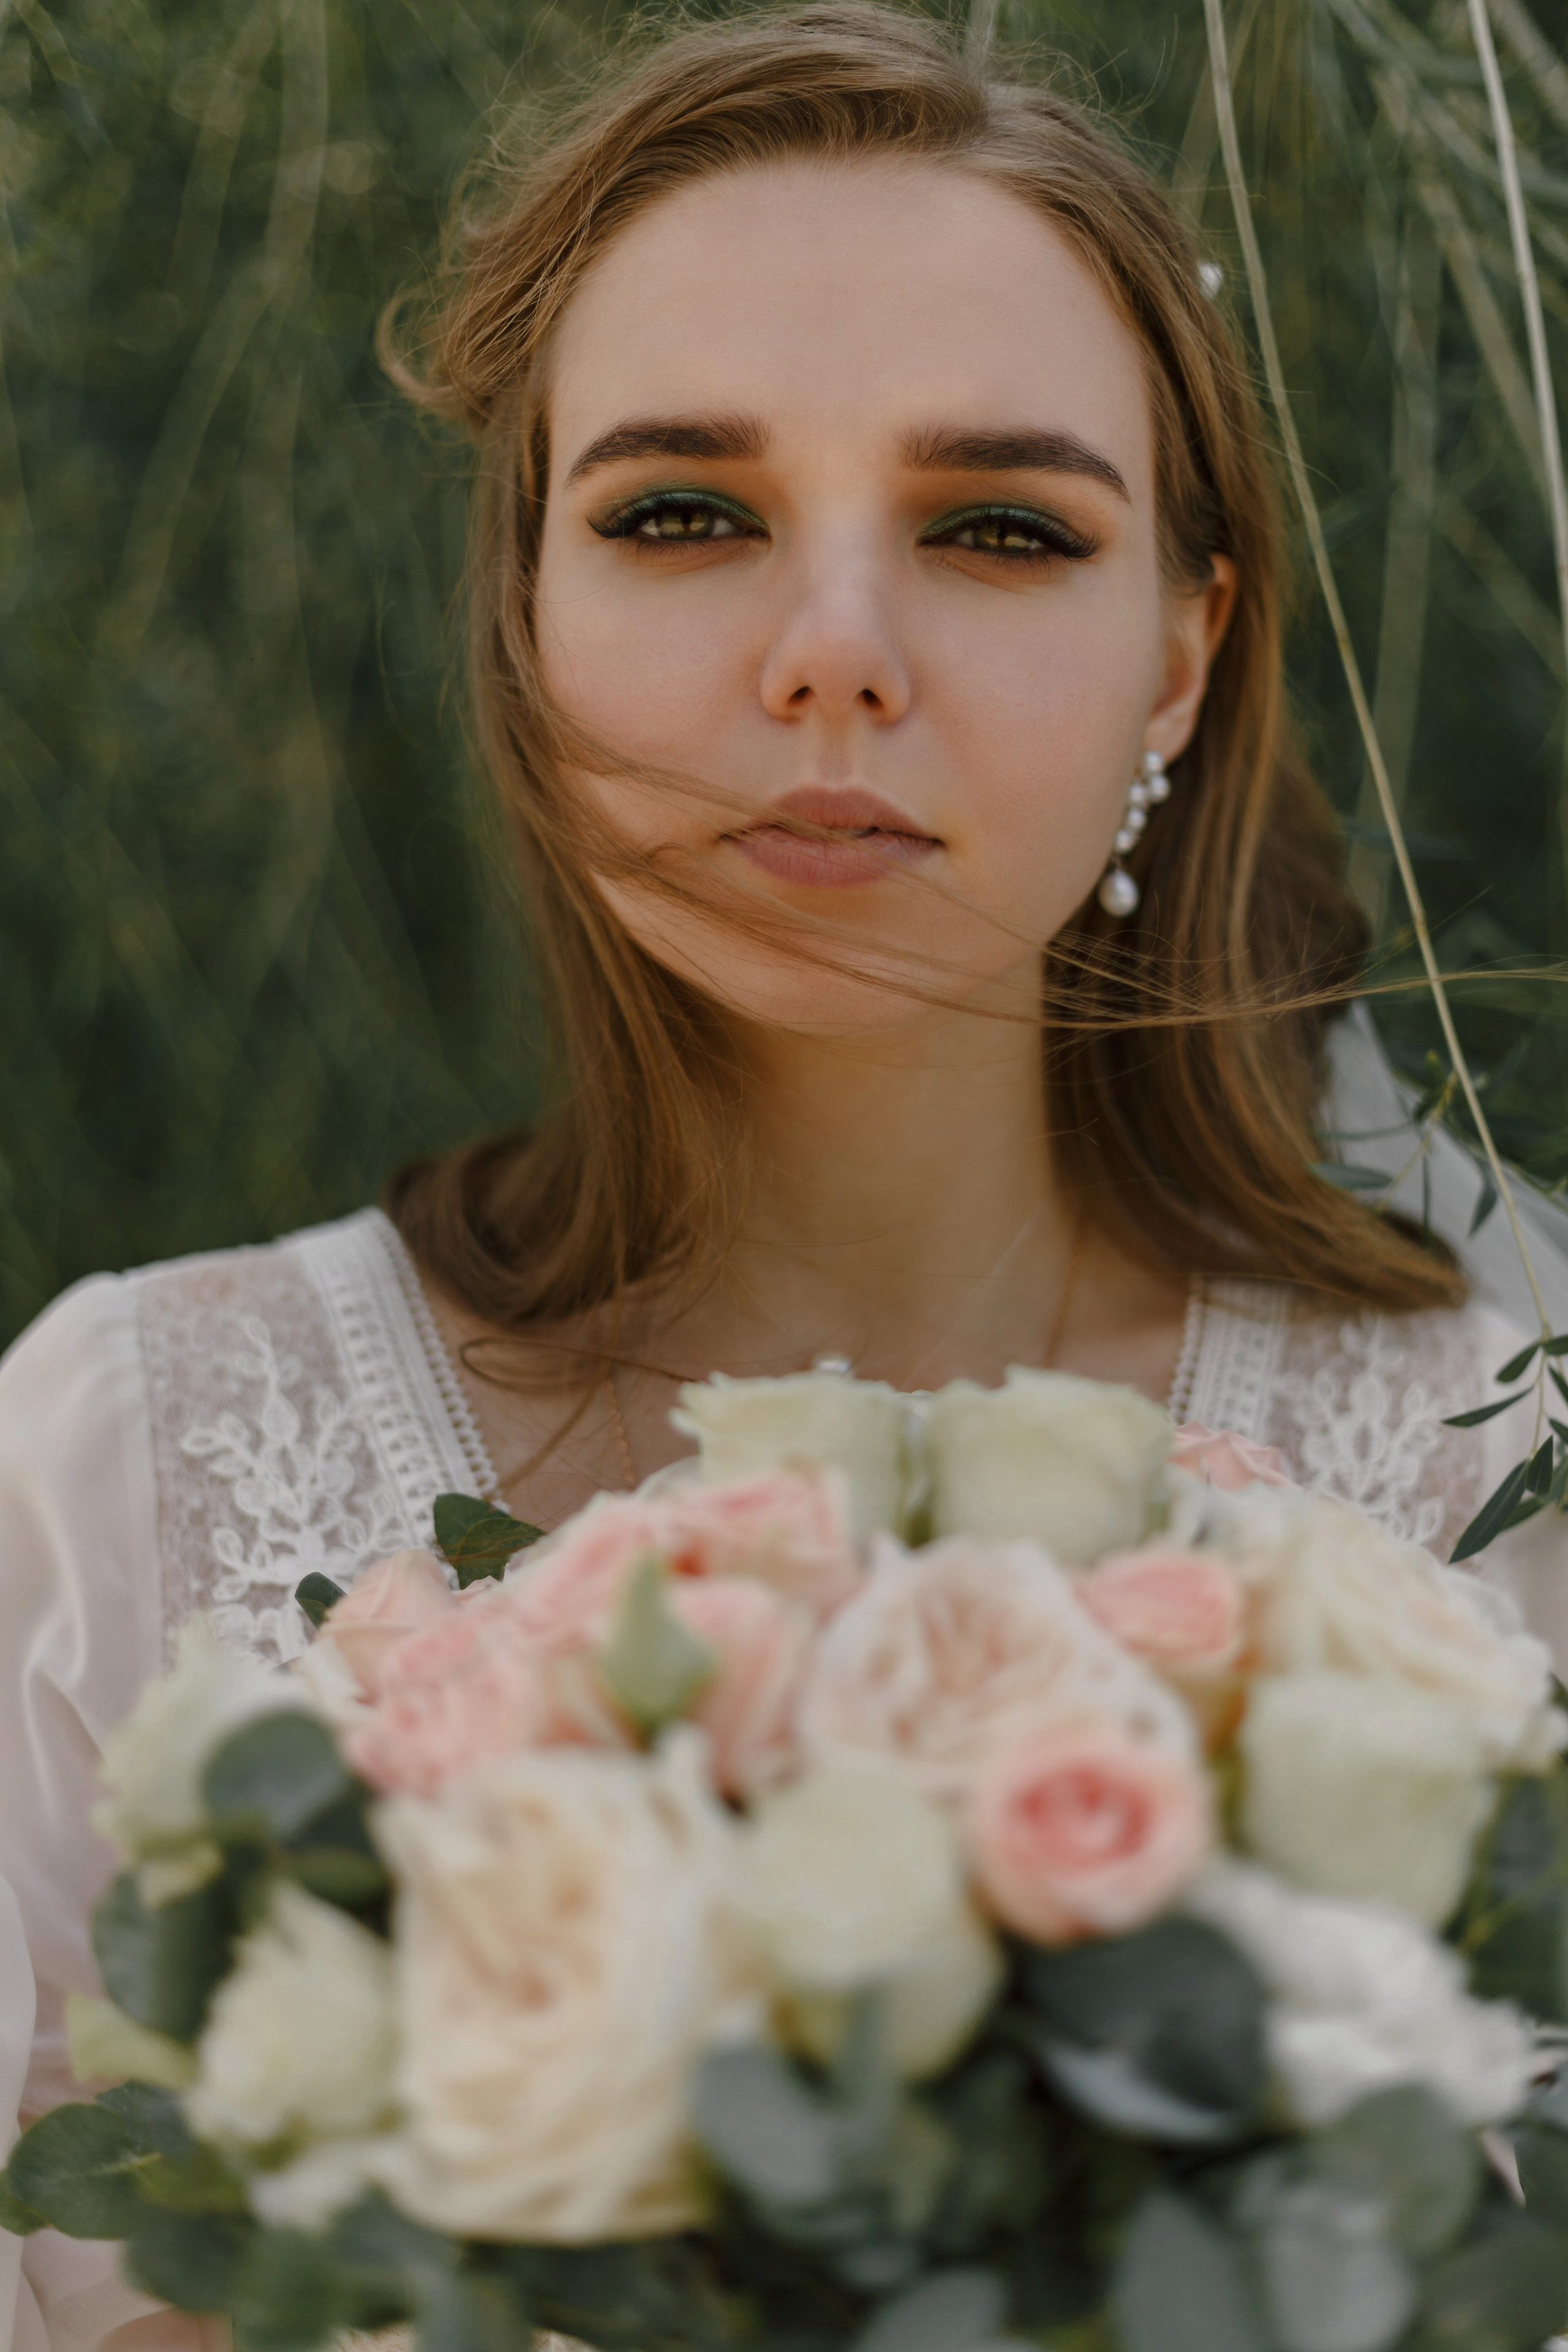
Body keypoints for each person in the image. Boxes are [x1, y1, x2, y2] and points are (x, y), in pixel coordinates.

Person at [1, 8, 1562, 2343]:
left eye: (1004, 528)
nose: (833, 654)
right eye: (684, 514)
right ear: (526, 609)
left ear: (1180, 655)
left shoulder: (1506, 1485)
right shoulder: (117, 1473)